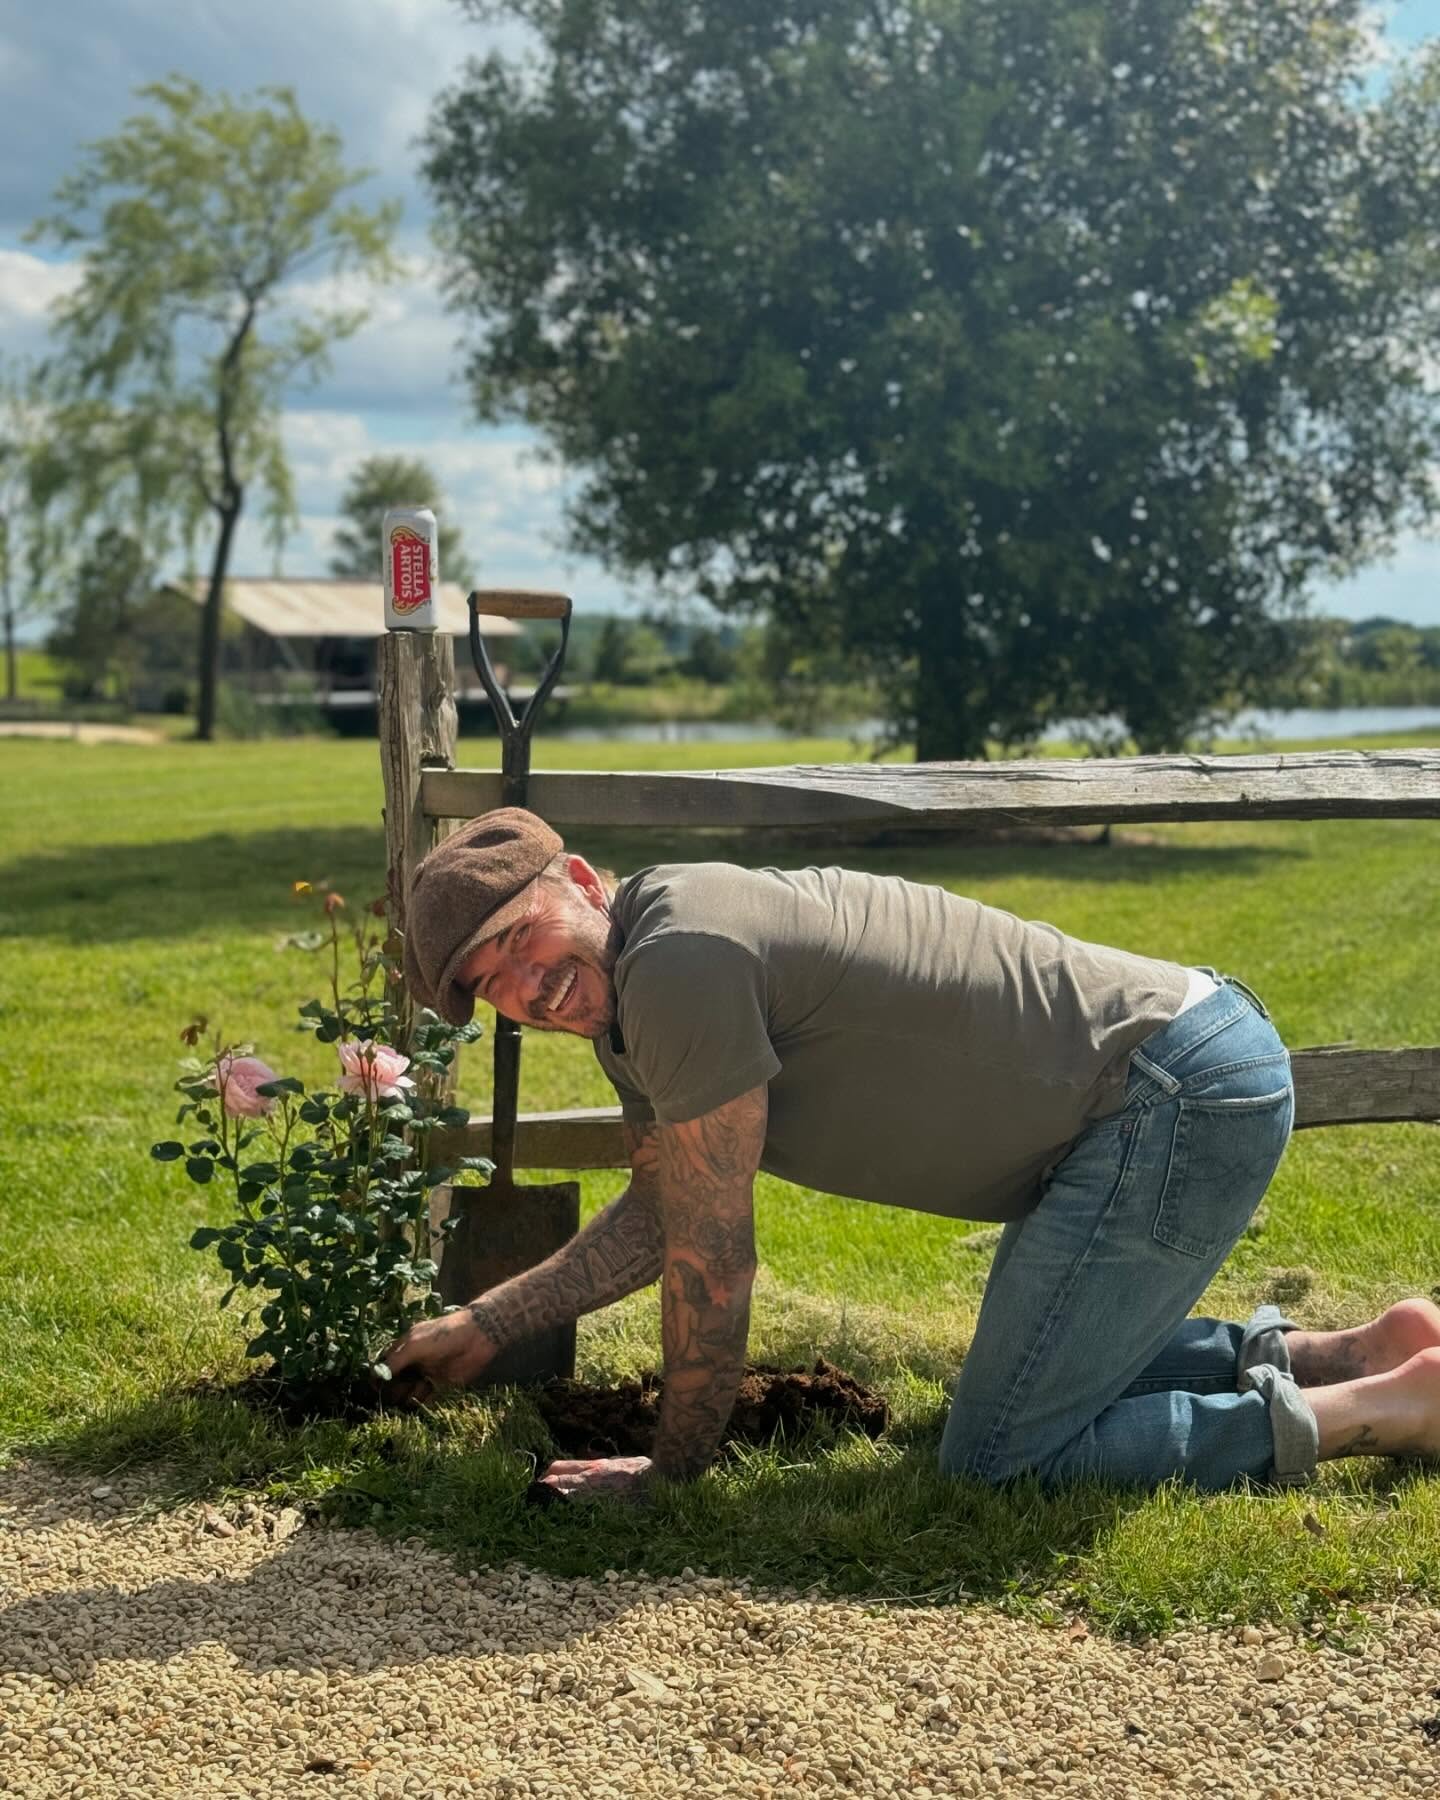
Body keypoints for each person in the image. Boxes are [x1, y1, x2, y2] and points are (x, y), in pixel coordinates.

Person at [384, 807, 1440, 1502]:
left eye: (520, 936)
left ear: (579, 878)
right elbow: (664, 1214)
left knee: (996, 1455)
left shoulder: (679, 964)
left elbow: (713, 1257)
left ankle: (1375, 1411)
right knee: (1020, 1384)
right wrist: (492, 1322)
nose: (526, 983)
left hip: (1167, 1094)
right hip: (1163, 1073)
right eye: (490, 982)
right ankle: (1357, 1352)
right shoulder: (638, 990)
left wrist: (669, 1471)